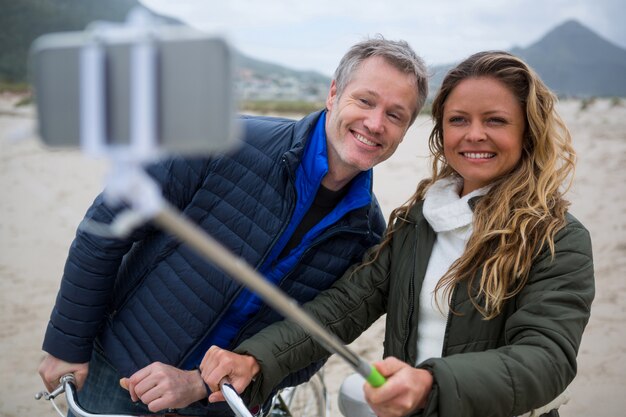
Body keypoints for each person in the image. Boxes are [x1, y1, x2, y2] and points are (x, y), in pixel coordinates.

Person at [37, 36, 429, 416]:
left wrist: (201, 384)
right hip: (121, 372)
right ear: (333, 94)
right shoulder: (224, 141)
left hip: (221, 404)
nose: (375, 123)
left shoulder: (370, 234)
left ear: (406, 129)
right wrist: (67, 345)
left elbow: (310, 346)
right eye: (365, 100)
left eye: (395, 115)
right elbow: (106, 228)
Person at [199, 51, 595, 417]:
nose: (474, 134)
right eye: (458, 120)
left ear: (528, 132)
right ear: (441, 131)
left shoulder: (556, 237)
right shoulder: (417, 222)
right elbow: (342, 307)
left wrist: (429, 384)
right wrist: (256, 359)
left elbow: (547, 359)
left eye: (495, 120)